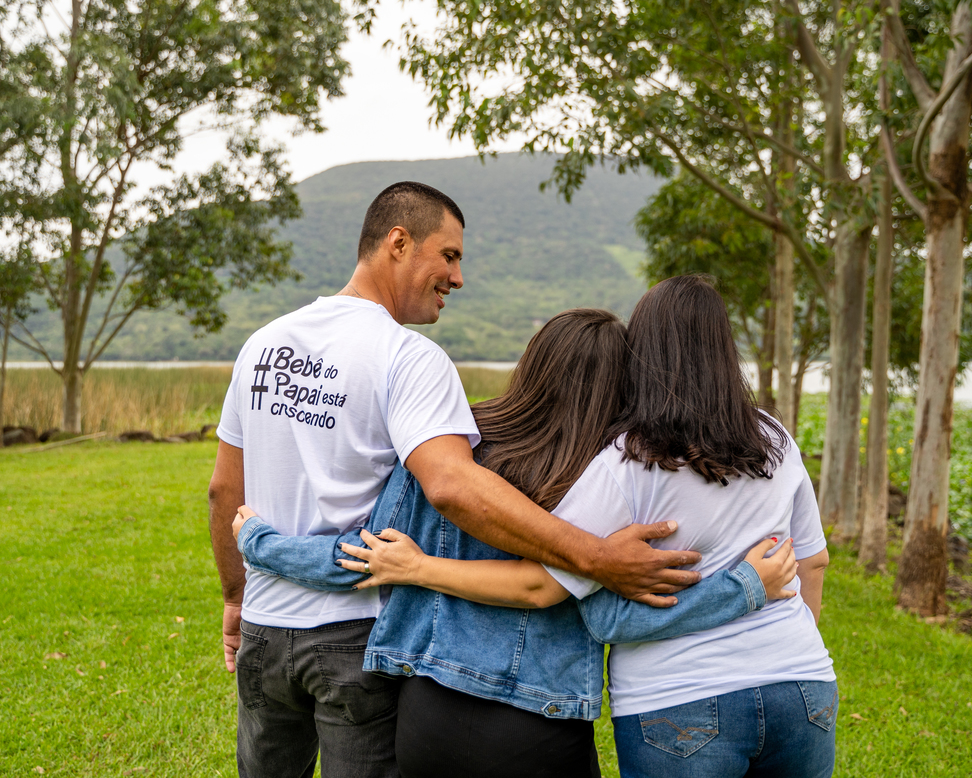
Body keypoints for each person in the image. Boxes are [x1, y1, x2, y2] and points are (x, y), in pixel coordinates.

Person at [209, 183, 709, 778]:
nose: (458, 277)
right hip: (354, 632)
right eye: (449, 256)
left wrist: (235, 596)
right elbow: (450, 485)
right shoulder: (408, 356)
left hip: (265, 623)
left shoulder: (263, 344)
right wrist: (596, 557)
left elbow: (224, 491)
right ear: (399, 242)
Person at [232, 307, 799, 777]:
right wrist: (745, 585)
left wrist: (259, 542)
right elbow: (594, 608)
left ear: (533, 363)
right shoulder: (602, 477)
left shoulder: (450, 450)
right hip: (540, 722)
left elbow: (359, 557)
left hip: (429, 710)